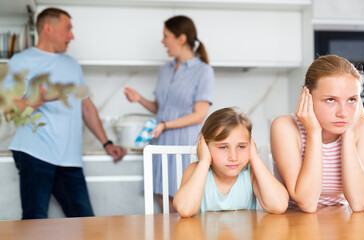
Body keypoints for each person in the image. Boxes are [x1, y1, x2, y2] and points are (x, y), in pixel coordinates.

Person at [4, 7, 126, 219]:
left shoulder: (72, 65)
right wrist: (39, 99)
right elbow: (10, 109)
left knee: (86, 224)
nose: (72, 36)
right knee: (34, 224)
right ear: (48, 28)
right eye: (67, 28)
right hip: (35, 153)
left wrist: (107, 143)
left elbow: (86, 107)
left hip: (69, 159)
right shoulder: (21, 61)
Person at [124, 15, 215, 212]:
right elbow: (161, 109)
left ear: (181, 39)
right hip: (159, 143)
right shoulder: (165, 69)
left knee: (181, 205)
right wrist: (139, 99)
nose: (162, 41)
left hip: (184, 145)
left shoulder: (204, 71)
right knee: (161, 201)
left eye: (166, 36)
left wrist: (165, 125)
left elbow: (199, 114)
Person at [270, 55, 364, 213]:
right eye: (331, 100)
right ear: (307, 95)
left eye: (351, 100)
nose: (343, 113)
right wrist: (313, 133)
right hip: (296, 224)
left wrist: (348, 134)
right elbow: (307, 203)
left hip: (343, 223)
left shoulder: (363, 128)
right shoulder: (285, 127)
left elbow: (359, 203)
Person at [173, 107, 289, 217]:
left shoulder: (250, 172)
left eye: (241, 147)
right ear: (205, 147)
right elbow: (185, 209)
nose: (233, 157)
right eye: (223, 147)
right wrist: (204, 162)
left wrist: (254, 157)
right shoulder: (195, 170)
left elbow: (279, 205)